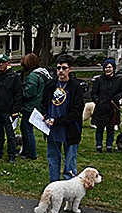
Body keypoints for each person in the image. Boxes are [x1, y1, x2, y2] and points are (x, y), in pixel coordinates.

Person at [41, 54, 85, 182]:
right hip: (52, 128)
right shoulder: (50, 85)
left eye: (64, 68)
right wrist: (45, 116)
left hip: (69, 129)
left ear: (70, 69)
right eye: (58, 68)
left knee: (70, 160)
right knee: (53, 159)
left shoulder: (75, 87)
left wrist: (58, 121)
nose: (60, 71)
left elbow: (76, 111)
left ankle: (70, 185)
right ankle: (54, 184)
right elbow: (44, 104)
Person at [20, 53, 51, 160]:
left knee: (27, 130)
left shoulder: (33, 76)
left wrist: (20, 91)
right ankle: (27, 151)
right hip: (38, 105)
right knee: (27, 129)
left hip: (31, 107)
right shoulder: (43, 74)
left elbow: (29, 93)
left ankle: (30, 153)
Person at [91, 58, 122, 154]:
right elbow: (94, 93)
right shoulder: (99, 80)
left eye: (110, 67)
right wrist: (97, 101)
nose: (108, 69)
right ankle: (99, 146)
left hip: (112, 107)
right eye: (106, 67)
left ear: (113, 68)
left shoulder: (119, 80)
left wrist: (116, 98)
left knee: (111, 128)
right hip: (101, 107)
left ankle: (109, 146)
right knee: (100, 128)